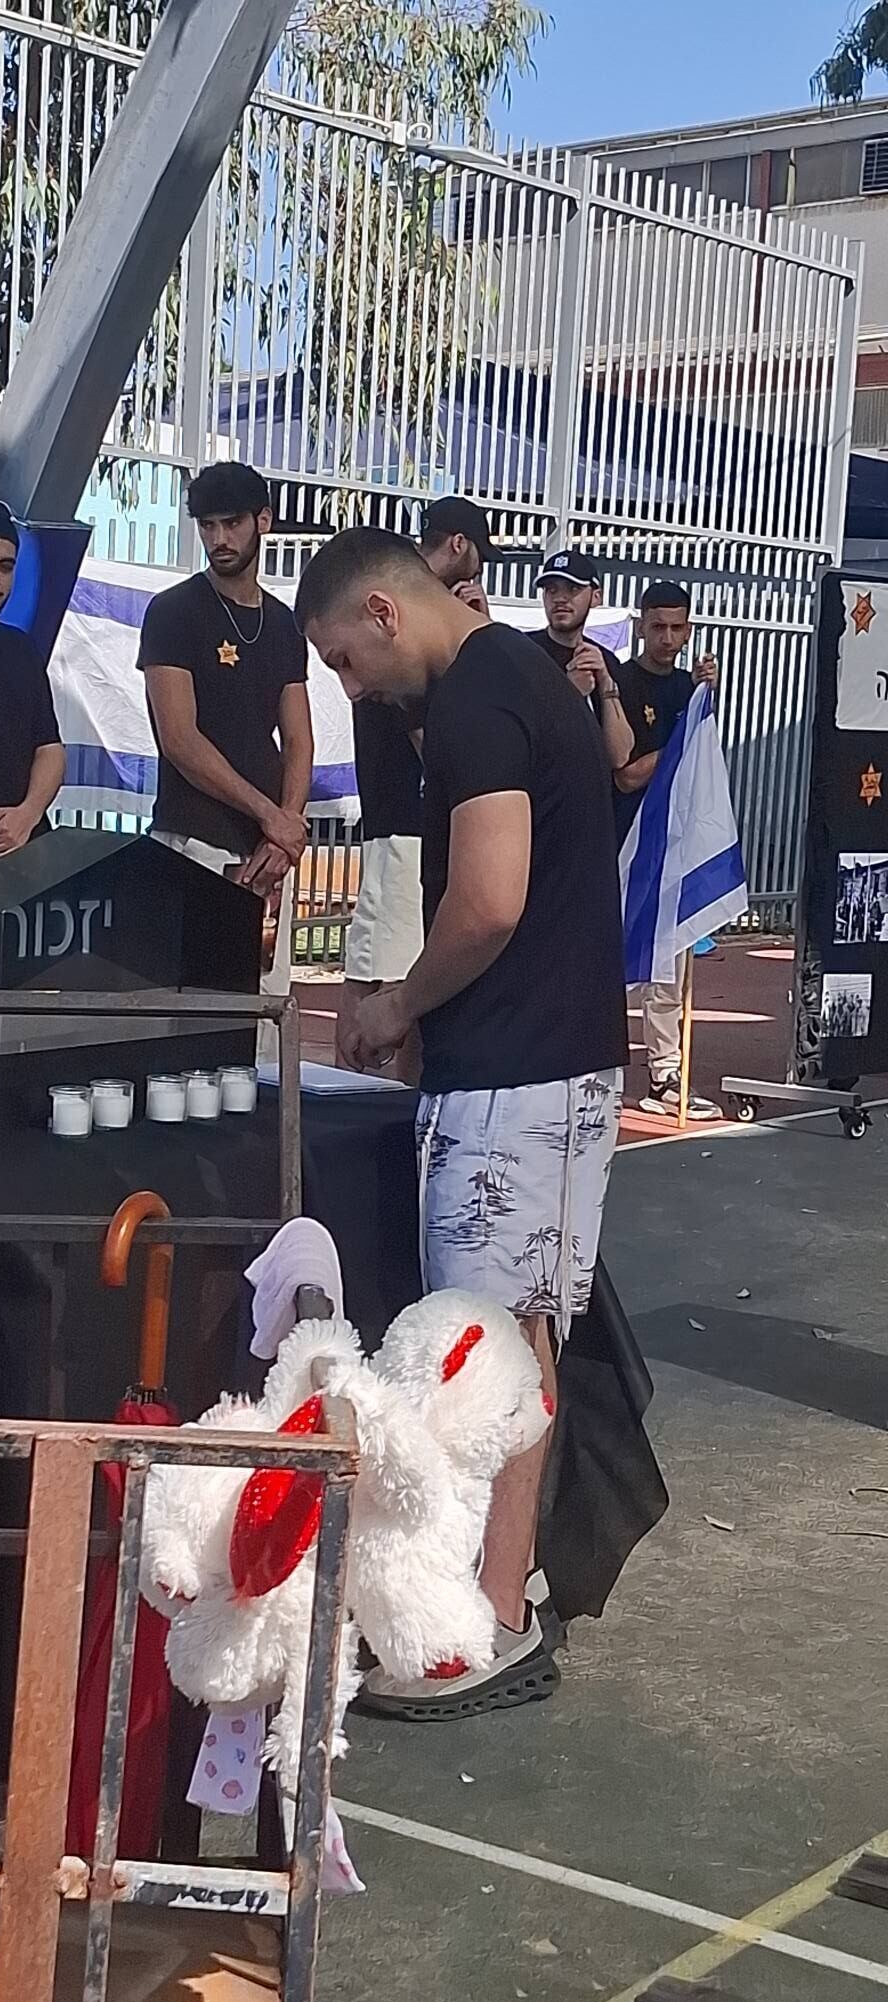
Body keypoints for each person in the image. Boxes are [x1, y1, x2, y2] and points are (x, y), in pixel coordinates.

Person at [296, 528, 628, 1715]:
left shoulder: (480, 703)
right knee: (519, 1341)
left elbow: (487, 900)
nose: (350, 688)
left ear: (385, 612)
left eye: (344, 659)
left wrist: (397, 1003)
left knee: (482, 1350)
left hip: (516, 1076)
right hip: (551, 1065)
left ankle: (484, 1618)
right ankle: (502, 1588)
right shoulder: (515, 678)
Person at [340, 497, 501, 1075]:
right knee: (393, 979)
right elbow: (435, 740)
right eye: (479, 555)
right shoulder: (409, 626)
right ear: (459, 545)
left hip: (408, 821)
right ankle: (384, 1102)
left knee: (384, 969)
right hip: (405, 821)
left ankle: (377, 1098)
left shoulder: (409, 613)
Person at [138, 462, 313, 990]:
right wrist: (273, 816)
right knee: (192, 1005)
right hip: (195, 837)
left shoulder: (284, 623)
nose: (219, 539)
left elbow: (299, 739)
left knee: (264, 1001)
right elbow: (180, 740)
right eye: (207, 525)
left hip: (266, 849)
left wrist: (285, 830)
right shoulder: (174, 611)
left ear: (264, 521)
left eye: (232, 523)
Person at [612, 580, 721, 1121]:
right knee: (608, 960)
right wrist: (679, 744)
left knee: (669, 965)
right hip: (622, 841)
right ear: (641, 627)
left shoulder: (688, 689)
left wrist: (703, 704)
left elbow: (700, 765)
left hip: (672, 846)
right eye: (658, 627)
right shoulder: (620, 682)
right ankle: (598, 1066)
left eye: (678, 628)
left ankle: (665, 1072)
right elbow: (626, 774)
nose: (668, 638)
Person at [0, 499, 65, 853]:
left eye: (5, 567)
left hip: (27, 852)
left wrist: (28, 815)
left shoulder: (21, 648)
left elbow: (50, 749)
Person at [528, 548, 634, 771]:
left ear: (596, 597)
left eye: (573, 588)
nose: (560, 598)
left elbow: (620, 756)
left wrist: (605, 683)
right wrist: (570, 694)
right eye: (551, 589)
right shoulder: (523, 652)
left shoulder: (605, 661)